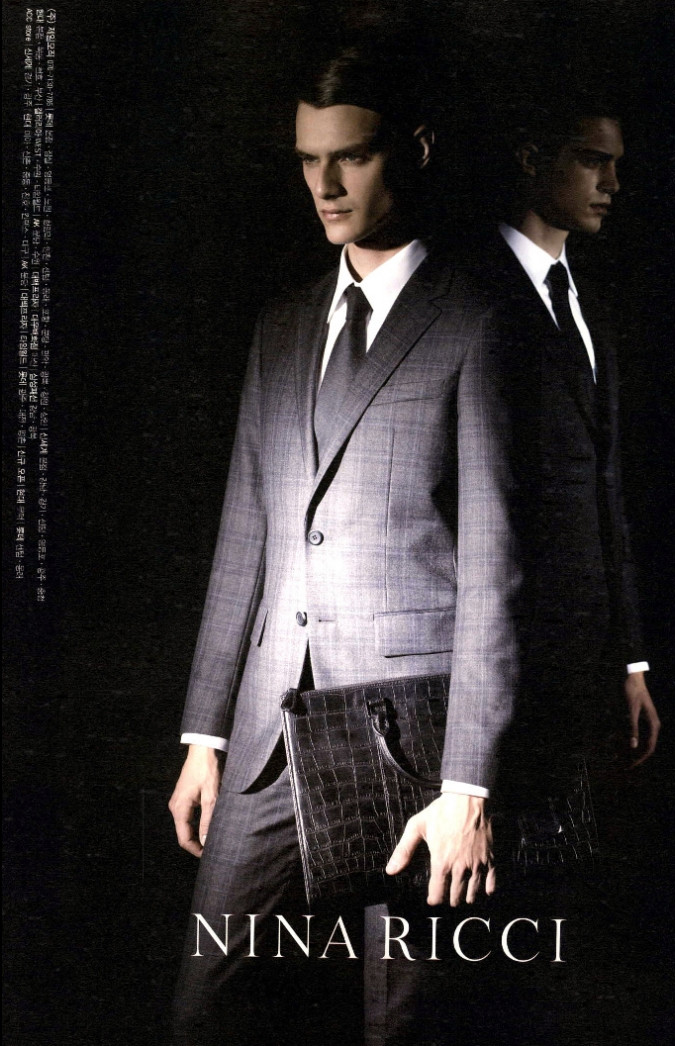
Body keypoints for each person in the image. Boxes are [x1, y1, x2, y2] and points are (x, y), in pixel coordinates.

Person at [168, 43, 517, 1046]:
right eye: (307, 160)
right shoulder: (281, 327)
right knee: (201, 1011)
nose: (324, 184)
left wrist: (468, 785)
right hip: (267, 733)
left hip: (411, 744)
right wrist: (204, 736)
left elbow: (496, 573)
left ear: (414, 150)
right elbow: (246, 534)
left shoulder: (478, 321)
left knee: (397, 1025)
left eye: (352, 157)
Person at [469, 97, 660, 819]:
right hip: (493, 659)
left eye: (615, 164)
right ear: (531, 158)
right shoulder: (464, 288)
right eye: (590, 161)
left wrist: (630, 659)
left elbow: (604, 490)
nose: (611, 183)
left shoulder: (588, 304)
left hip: (583, 660)